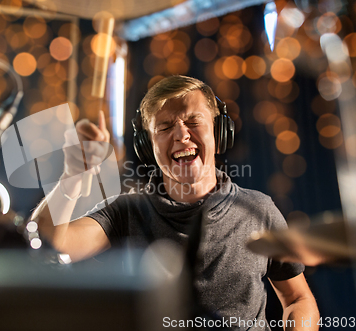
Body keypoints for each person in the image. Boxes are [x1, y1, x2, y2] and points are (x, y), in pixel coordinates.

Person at [32, 75, 319, 330]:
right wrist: (72, 174)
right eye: (165, 127)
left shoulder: (260, 210)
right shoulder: (127, 211)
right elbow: (49, 241)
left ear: (219, 135)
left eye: (193, 122)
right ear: (148, 148)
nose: (181, 135)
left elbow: (297, 298)